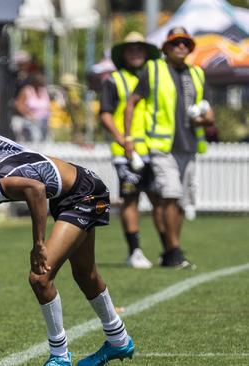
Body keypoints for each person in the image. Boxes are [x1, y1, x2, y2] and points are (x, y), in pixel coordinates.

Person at [0, 134, 135, 366]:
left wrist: (38, 244)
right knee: (85, 273)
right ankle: (119, 341)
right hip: (68, 195)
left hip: (85, 194)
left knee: (40, 277)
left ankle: (59, 356)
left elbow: (36, 189)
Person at [124, 27, 215, 268]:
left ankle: (171, 251)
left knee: (182, 200)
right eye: (176, 43)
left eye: (185, 42)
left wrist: (203, 119)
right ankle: (174, 251)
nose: (181, 46)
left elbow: (208, 114)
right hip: (162, 146)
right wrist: (129, 137)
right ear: (167, 47)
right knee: (170, 196)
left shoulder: (197, 74)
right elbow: (131, 103)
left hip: (189, 146)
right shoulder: (153, 69)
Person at [99, 32, 165, 269]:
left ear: (146, 53)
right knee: (131, 199)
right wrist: (123, 140)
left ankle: (168, 250)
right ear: (124, 54)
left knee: (160, 199)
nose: (136, 53)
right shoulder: (114, 80)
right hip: (126, 152)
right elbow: (105, 114)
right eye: (131, 49)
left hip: (154, 148)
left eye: (140, 49)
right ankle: (134, 251)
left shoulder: (156, 78)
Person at [13, 72, 51, 142]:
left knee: (47, 139)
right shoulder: (26, 90)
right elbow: (18, 104)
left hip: (44, 121)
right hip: (30, 121)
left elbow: (48, 106)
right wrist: (29, 114)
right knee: (36, 136)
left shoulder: (44, 91)